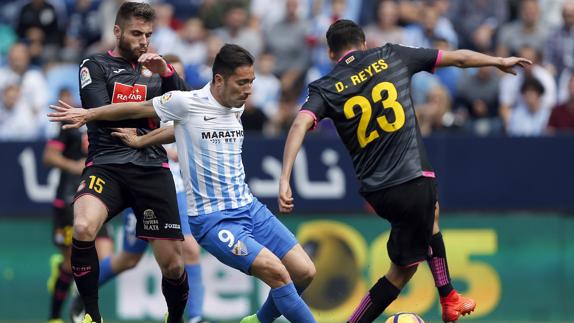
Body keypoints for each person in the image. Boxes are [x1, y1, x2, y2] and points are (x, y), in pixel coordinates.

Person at [278, 19, 531, 323]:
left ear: (332, 54)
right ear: (365, 43)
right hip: (412, 176)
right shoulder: (391, 55)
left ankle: (435, 300)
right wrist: (498, 60)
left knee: (404, 265)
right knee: (427, 216)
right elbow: (458, 58)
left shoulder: (326, 86)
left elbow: (299, 123)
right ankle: (449, 297)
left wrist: (284, 178)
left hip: (377, 192)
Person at [49, 44, 317, 323]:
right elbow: (140, 107)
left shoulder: (236, 105)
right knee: (277, 274)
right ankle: (194, 316)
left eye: (251, 82)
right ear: (219, 80)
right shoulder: (186, 102)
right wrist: (90, 115)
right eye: (242, 82)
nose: (248, 89)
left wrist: (142, 139)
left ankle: (257, 321)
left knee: (304, 272)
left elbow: (178, 130)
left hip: (249, 207)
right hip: (215, 220)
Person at [65, 2, 190, 323]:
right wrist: (156, 106)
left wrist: (168, 75)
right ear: (117, 31)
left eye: (148, 34)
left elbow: (185, 112)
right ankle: (92, 314)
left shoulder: (159, 69)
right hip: (107, 163)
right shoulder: (94, 65)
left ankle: (175, 319)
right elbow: (100, 112)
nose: (143, 41)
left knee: (174, 266)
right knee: (82, 226)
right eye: (136, 33)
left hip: (152, 167)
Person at [44, 99, 113, 323]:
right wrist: (75, 166)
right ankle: (55, 317)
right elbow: (49, 156)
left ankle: (81, 300)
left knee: (105, 257)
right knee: (69, 263)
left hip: (96, 195)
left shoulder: (107, 117)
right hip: (68, 200)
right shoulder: (71, 122)